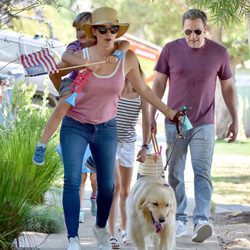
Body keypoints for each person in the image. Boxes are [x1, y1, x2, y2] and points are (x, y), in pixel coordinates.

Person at [59, 7, 176, 250]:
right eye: (103, 29)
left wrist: (169, 112)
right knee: (71, 180)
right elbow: (64, 62)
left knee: (109, 186)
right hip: (77, 123)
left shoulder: (127, 57)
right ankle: (73, 238)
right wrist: (87, 64)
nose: (109, 32)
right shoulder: (81, 54)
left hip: (106, 127)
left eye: (113, 28)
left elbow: (144, 91)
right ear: (95, 32)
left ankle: (101, 228)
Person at [151, 8, 238, 244]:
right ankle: (178, 218)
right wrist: (151, 116)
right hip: (175, 124)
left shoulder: (219, 53)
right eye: (188, 31)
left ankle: (201, 220)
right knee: (175, 173)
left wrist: (235, 118)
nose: (192, 36)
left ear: (205, 29)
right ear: (183, 30)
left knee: (202, 172)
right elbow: (158, 85)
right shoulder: (170, 49)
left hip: (204, 123)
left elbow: (228, 88)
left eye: (197, 31)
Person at [32, 11, 130, 166]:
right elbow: (66, 57)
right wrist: (86, 63)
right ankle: (42, 144)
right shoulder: (76, 46)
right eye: (77, 29)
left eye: (84, 29)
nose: (80, 33)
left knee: (105, 117)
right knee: (62, 108)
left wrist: (119, 54)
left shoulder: (102, 43)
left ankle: (95, 157)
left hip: (90, 88)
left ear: (94, 30)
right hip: (73, 83)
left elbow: (125, 43)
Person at [108, 67, 151, 248]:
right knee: (115, 188)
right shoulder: (115, 88)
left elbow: (147, 121)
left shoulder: (141, 93)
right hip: (111, 142)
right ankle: (111, 233)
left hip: (129, 145)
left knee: (126, 191)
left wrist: (145, 146)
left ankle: (124, 229)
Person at [56, 144, 97, 223]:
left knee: (94, 178)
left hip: (93, 142)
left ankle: (94, 197)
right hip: (81, 143)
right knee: (81, 178)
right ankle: (80, 210)